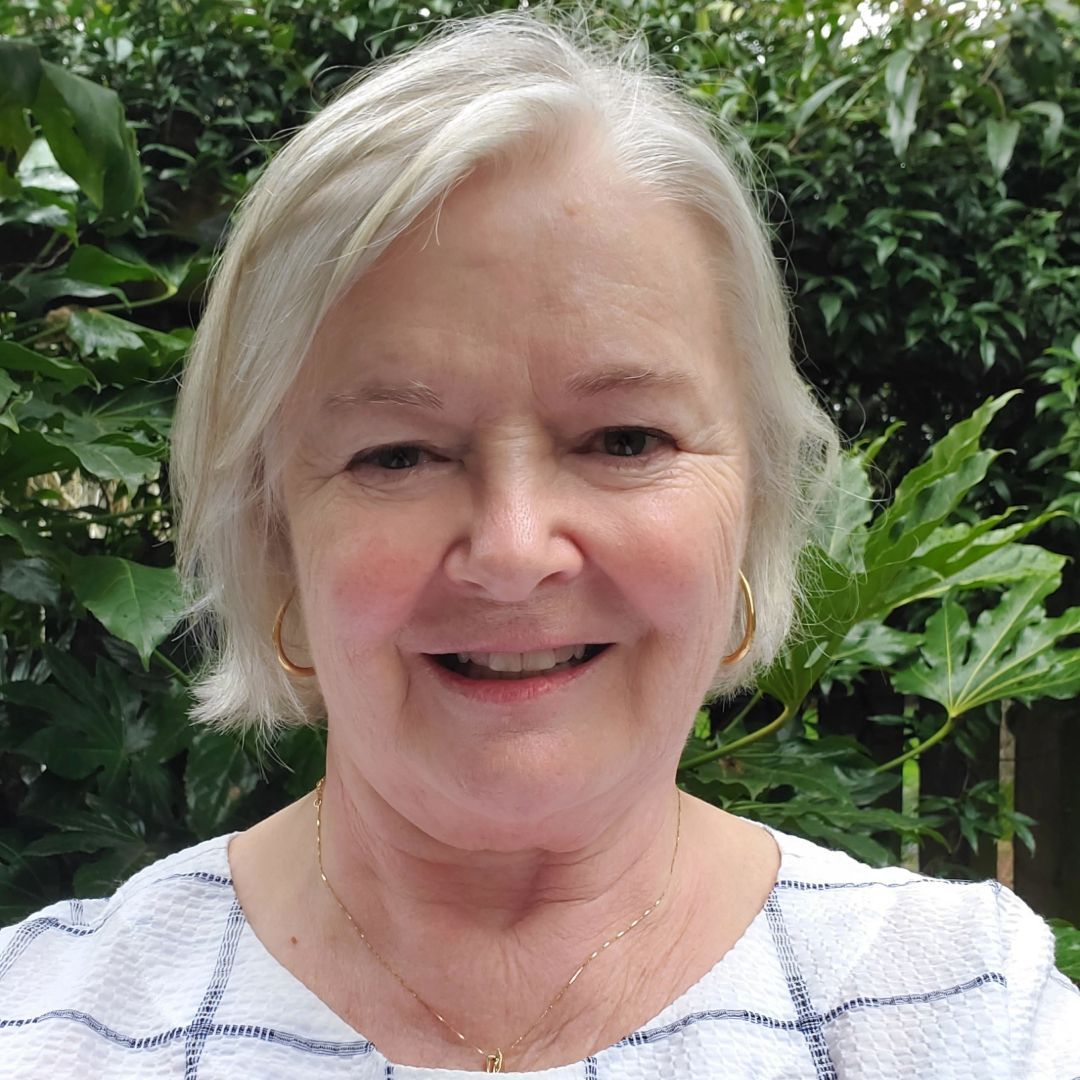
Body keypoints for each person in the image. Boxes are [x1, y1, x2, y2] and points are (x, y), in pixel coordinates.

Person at [1, 12, 1078, 1078]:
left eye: (624, 438)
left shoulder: (961, 1009)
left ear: (752, 504)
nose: (514, 552)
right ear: (273, 532)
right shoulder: (49, 1027)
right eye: (399, 454)